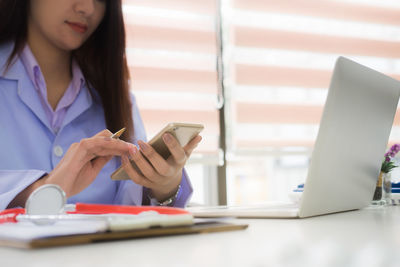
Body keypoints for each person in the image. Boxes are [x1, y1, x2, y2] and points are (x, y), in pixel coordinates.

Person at [0, 0, 202, 210]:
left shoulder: (116, 97)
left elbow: (135, 207)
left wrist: (164, 188)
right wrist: (41, 190)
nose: (87, 8)